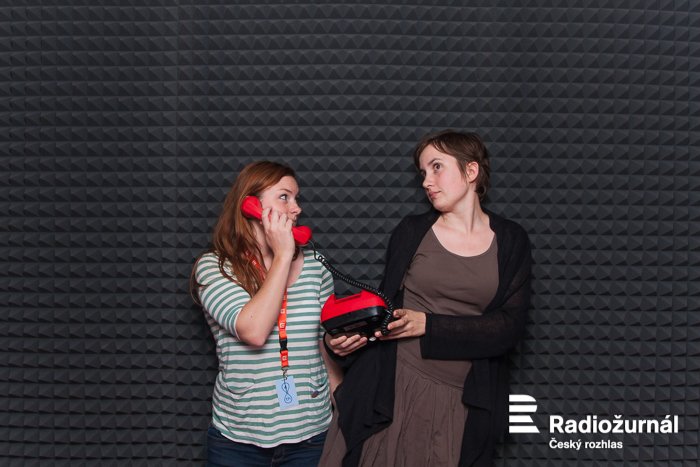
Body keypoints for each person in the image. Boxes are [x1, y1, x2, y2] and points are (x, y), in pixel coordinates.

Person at [320, 130, 533, 467]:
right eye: (423, 172)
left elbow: (508, 328)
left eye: (436, 167)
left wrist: (428, 325)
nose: (426, 182)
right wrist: (338, 343)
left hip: (464, 399)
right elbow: (386, 311)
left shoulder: (511, 239)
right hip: (394, 389)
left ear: (471, 171)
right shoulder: (411, 231)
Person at [192, 161, 342, 467]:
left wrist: (341, 402)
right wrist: (284, 255)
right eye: (284, 197)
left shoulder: (316, 266)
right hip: (238, 441)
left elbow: (322, 342)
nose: (296, 208)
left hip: (311, 435)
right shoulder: (215, 267)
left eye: (296, 198)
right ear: (250, 205)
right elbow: (254, 331)